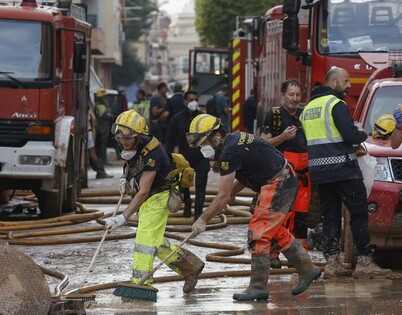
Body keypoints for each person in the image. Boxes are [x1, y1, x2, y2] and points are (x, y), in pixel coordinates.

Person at [187, 114, 321, 301]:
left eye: (204, 143)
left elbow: (222, 196)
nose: (203, 149)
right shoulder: (234, 140)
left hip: (279, 182)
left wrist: (202, 220)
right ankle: (308, 269)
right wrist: (234, 191)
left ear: (216, 137)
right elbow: (250, 166)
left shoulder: (229, 153)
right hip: (281, 179)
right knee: (273, 232)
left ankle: (258, 286)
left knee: (258, 233)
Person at [300, 66, 392, 278]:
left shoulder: (309, 109)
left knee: (330, 215)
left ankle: (332, 262)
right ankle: (365, 262)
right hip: (343, 169)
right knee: (358, 213)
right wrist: (363, 134)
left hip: (320, 172)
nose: (349, 85)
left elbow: (311, 141)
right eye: (346, 81)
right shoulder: (336, 104)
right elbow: (349, 135)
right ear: (333, 83)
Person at [103, 110, 205, 293]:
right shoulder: (127, 142)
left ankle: (141, 284)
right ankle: (191, 267)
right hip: (149, 196)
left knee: (144, 239)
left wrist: (123, 217)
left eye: (128, 139)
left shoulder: (154, 153)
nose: (123, 142)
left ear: (139, 136)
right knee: (155, 241)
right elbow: (129, 163)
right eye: (120, 138)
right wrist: (124, 178)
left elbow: (143, 192)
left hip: (160, 195)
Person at [261, 79, 311, 269]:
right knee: (280, 213)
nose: (294, 98)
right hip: (282, 173)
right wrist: (283, 137)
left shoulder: (304, 114)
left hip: (304, 175)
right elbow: (264, 144)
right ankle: (273, 254)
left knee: (301, 216)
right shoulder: (274, 115)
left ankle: (299, 256)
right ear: (283, 95)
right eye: (291, 94)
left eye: (298, 95)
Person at [166, 90, 210, 220]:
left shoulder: (203, 118)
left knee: (201, 189)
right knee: (183, 188)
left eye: (195, 99)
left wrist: (217, 156)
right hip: (184, 160)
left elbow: (216, 137)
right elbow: (170, 138)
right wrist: (169, 158)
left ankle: (198, 217)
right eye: (190, 99)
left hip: (202, 158)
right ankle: (187, 204)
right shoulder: (177, 119)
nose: (193, 102)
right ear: (185, 101)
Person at [94, 88, 113, 165]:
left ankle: (101, 159)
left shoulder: (96, 104)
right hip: (102, 127)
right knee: (102, 144)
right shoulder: (101, 105)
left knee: (100, 144)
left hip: (100, 126)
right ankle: (103, 160)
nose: (105, 98)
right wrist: (111, 116)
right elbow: (104, 115)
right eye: (104, 96)